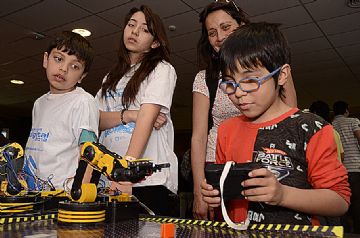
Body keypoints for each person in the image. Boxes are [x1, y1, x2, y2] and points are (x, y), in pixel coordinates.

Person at [200, 22, 350, 225]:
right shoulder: (227, 130)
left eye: (250, 80)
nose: (238, 92)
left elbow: (339, 201)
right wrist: (216, 196)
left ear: (281, 75)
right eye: (230, 83)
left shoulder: (312, 128)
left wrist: (283, 195)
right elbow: (229, 195)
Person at [191, 0, 297, 220]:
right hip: (219, 164)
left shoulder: (271, 67)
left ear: (242, 25)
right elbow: (199, 136)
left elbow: (289, 115)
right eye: (211, 32)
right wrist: (198, 188)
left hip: (266, 159)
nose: (219, 37)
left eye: (226, 27)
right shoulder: (206, 78)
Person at [96, 5, 177, 217]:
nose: (134, 31)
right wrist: (130, 115)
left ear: (155, 42)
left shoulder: (161, 69)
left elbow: (147, 118)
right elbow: (95, 120)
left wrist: (126, 171)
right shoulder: (109, 78)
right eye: (131, 25)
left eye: (144, 29)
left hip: (146, 181)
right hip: (109, 179)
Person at [24, 31, 99, 189]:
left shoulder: (82, 101)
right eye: (58, 59)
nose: (63, 69)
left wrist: (79, 194)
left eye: (74, 66)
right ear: (46, 59)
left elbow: (90, 154)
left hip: (62, 196)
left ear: (82, 76)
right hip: (34, 192)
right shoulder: (39, 103)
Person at [332, 100, 360, 233]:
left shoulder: (330, 125)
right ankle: (358, 229)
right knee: (357, 201)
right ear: (346, 110)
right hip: (355, 166)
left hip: (340, 169)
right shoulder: (353, 121)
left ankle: (345, 230)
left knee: (342, 200)